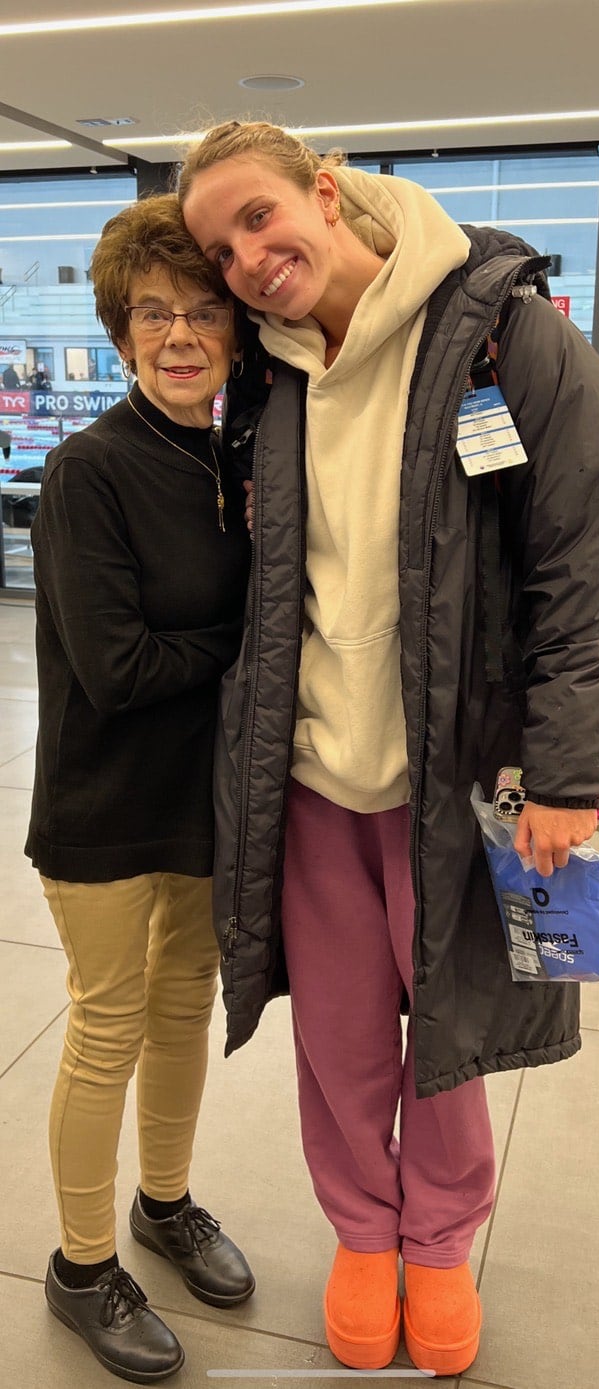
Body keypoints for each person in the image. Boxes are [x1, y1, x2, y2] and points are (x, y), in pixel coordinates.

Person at [178, 121, 599, 1377]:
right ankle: (361, 1234)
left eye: (262, 218)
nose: (249, 258)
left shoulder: (505, 331)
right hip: (314, 775)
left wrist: (562, 774)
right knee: (337, 1039)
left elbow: (586, 574)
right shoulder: (266, 377)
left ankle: (437, 1240)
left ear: (325, 190)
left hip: (460, 777)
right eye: (223, 248)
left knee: (451, 1024)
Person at [25, 193, 253, 1385]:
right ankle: (77, 1267)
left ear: (232, 330)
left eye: (201, 313)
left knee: (181, 1015)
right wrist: (259, 634)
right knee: (107, 1025)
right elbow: (115, 670)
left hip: (201, 803)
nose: (178, 335)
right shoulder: (88, 469)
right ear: (120, 336)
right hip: (104, 807)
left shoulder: (236, 460)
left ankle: (165, 1205)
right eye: (153, 314)